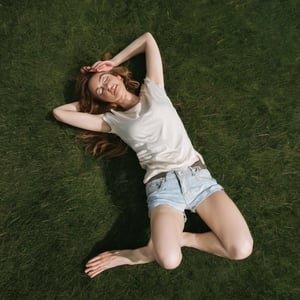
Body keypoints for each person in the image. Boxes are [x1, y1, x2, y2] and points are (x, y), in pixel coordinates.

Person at [53, 32, 253, 278]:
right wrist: (88, 99)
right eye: (101, 91)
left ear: (117, 75)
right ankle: (137, 254)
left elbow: (148, 40)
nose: (107, 86)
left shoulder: (154, 88)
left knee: (240, 249)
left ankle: (180, 239)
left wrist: (112, 62)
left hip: (198, 178)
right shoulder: (112, 121)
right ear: (102, 101)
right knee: (169, 260)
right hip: (163, 188)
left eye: (106, 79)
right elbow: (60, 113)